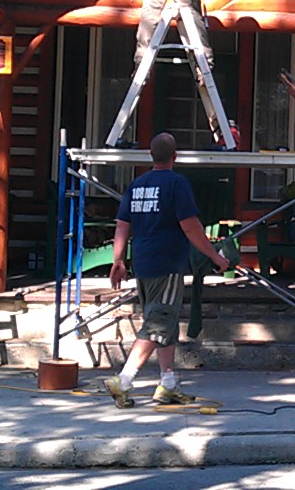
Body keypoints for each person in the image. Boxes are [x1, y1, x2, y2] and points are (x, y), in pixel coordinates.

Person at [106, 132, 230, 408]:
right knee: (158, 323)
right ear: (175, 157)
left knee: (166, 323)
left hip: (142, 262)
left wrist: (118, 261)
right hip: (168, 264)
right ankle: (124, 380)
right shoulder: (177, 184)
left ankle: (168, 384)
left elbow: (122, 226)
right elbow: (190, 227)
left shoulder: (136, 185)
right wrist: (215, 256)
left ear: (151, 156)